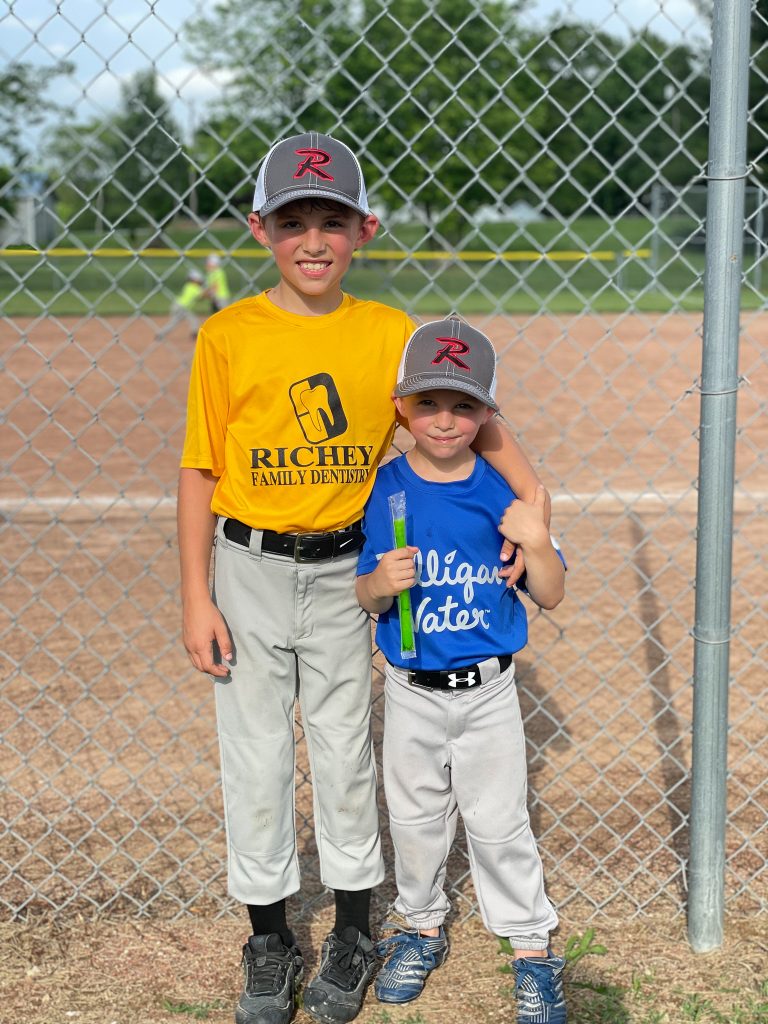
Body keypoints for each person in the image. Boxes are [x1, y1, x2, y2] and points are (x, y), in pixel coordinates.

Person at [178, 131, 546, 1024]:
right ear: (260, 228)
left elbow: (479, 426)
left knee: (345, 754)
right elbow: (198, 470)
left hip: (350, 567)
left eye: (332, 221)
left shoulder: (388, 335)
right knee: (256, 757)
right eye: (294, 221)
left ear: (364, 229)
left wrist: (533, 507)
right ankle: (268, 938)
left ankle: (352, 930)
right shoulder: (228, 335)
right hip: (248, 566)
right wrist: (195, 595)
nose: (313, 240)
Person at [355, 317, 567, 1023]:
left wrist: (536, 540)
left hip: (489, 691)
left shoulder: (499, 492)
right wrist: (381, 584)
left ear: (487, 413)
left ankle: (532, 947)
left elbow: (551, 590)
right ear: (401, 409)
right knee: (414, 822)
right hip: (411, 692)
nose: (445, 420)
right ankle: (420, 927)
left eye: (465, 405)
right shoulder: (384, 492)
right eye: (428, 403)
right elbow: (363, 593)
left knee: (499, 822)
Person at [170, 268, 208, 339]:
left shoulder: (188, 285)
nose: (200, 281)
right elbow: (203, 295)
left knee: (173, 323)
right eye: (198, 279)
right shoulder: (194, 287)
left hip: (177, 305)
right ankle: (194, 335)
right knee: (194, 320)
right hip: (183, 307)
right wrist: (209, 290)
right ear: (194, 280)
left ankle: (161, 333)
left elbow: (199, 297)